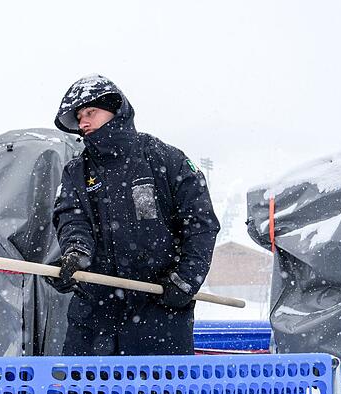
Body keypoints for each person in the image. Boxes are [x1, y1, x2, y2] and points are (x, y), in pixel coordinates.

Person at [48, 74, 220, 356]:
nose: (83, 123)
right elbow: (72, 218)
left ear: (116, 109)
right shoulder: (76, 171)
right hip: (94, 316)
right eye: (79, 117)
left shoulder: (165, 159)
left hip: (160, 314)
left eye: (90, 112)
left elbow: (200, 223)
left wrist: (185, 280)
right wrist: (76, 254)